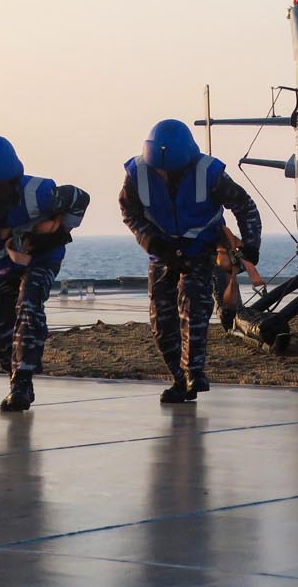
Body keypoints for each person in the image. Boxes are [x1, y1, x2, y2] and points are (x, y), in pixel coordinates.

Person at [119, 119, 262, 404]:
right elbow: (129, 213)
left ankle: (194, 373)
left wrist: (251, 245)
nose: (165, 175)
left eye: (172, 171)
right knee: (161, 320)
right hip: (162, 250)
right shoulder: (136, 175)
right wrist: (153, 243)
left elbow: (244, 205)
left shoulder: (210, 174)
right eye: (160, 171)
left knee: (194, 305)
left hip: (201, 248)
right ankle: (177, 377)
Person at [0, 135, 89, 411]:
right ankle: (19, 375)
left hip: (40, 260)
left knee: (29, 306)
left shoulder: (39, 193)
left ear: (11, 180)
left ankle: (22, 382)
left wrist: (57, 234)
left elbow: (80, 199)